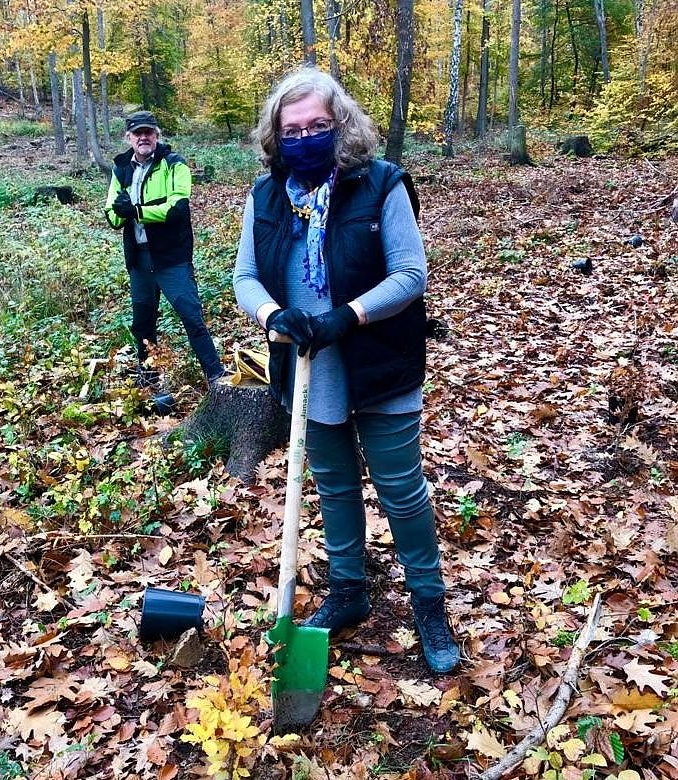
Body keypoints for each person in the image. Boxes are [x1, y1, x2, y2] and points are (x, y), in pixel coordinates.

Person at [232, 68, 459, 674]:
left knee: (401, 490)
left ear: (341, 126)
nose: (305, 137)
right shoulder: (265, 196)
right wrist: (275, 315)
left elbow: (411, 276)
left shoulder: (381, 185)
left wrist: (349, 316)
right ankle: (349, 590)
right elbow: (245, 278)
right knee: (332, 484)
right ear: (276, 136)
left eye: (318, 126)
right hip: (308, 364)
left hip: (380, 361)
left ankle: (430, 605)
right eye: (293, 128)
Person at [105, 110, 225, 393]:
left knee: (191, 315)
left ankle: (217, 377)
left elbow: (178, 208)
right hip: (138, 258)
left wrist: (135, 210)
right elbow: (111, 215)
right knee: (142, 323)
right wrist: (122, 213)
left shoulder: (174, 164)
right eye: (138, 133)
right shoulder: (121, 168)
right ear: (129, 138)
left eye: (148, 132)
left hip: (172, 258)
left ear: (157, 135)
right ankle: (150, 383)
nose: (143, 137)